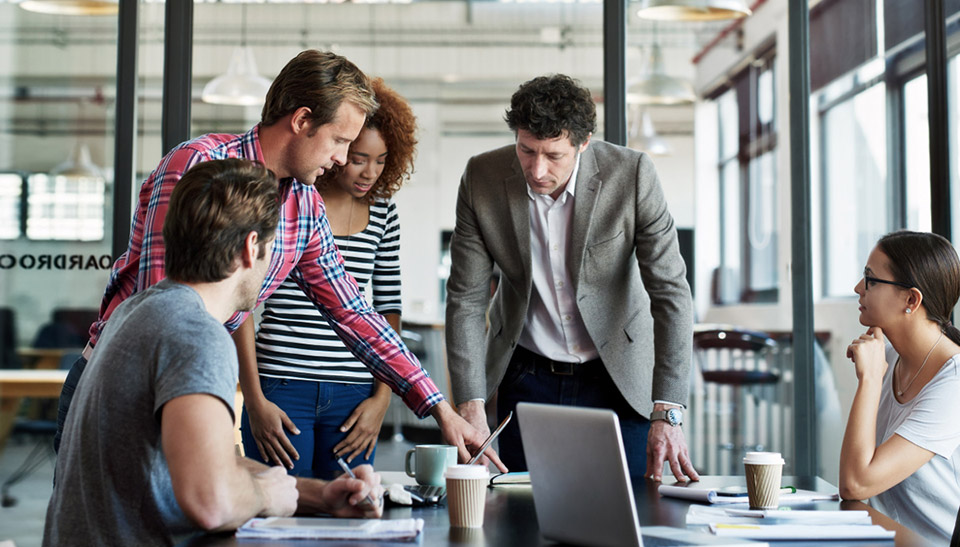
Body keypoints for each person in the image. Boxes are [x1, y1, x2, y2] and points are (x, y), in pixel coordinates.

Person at [55, 50, 490, 465]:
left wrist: (439, 408)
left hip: (194, 392)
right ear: (302, 120)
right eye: (339, 140)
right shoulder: (199, 164)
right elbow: (161, 305)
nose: (341, 159)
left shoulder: (304, 205)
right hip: (121, 386)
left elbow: (353, 311)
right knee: (92, 539)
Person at [36, 159, 383, 547]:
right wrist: (266, 499)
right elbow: (210, 499)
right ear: (249, 248)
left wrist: (317, 495)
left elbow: (203, 457)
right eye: (273, 248)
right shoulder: (196, 335)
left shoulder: (140, 311)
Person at [445, 73, 698, 482]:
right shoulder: (482, 177)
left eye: (553, 155)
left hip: (618, 377)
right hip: (527, 377)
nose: (538, 169)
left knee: (627, 517)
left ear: (583, 143)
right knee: (523, 519)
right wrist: (470, 402)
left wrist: (668, 409)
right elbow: (466, 298)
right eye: (526, 150)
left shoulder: (631, 175)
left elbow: (670, 293)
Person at [239, 79, 416, 477]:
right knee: (278, 514)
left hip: (354, 396)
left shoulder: (384, 214)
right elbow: (242, 302)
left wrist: (382, 400)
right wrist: (253, 398)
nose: (370, 172)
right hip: (282, 385)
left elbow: (385, 309)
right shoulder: (290, 201)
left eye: (382, 160)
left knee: (351, 515)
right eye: (357, 156)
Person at [840, 230, 960, 546]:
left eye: (871, 280)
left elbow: (855, 483)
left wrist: (868, 380)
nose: (857, 289)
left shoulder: (954, 383)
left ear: (911, 299)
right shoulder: (889, 356)